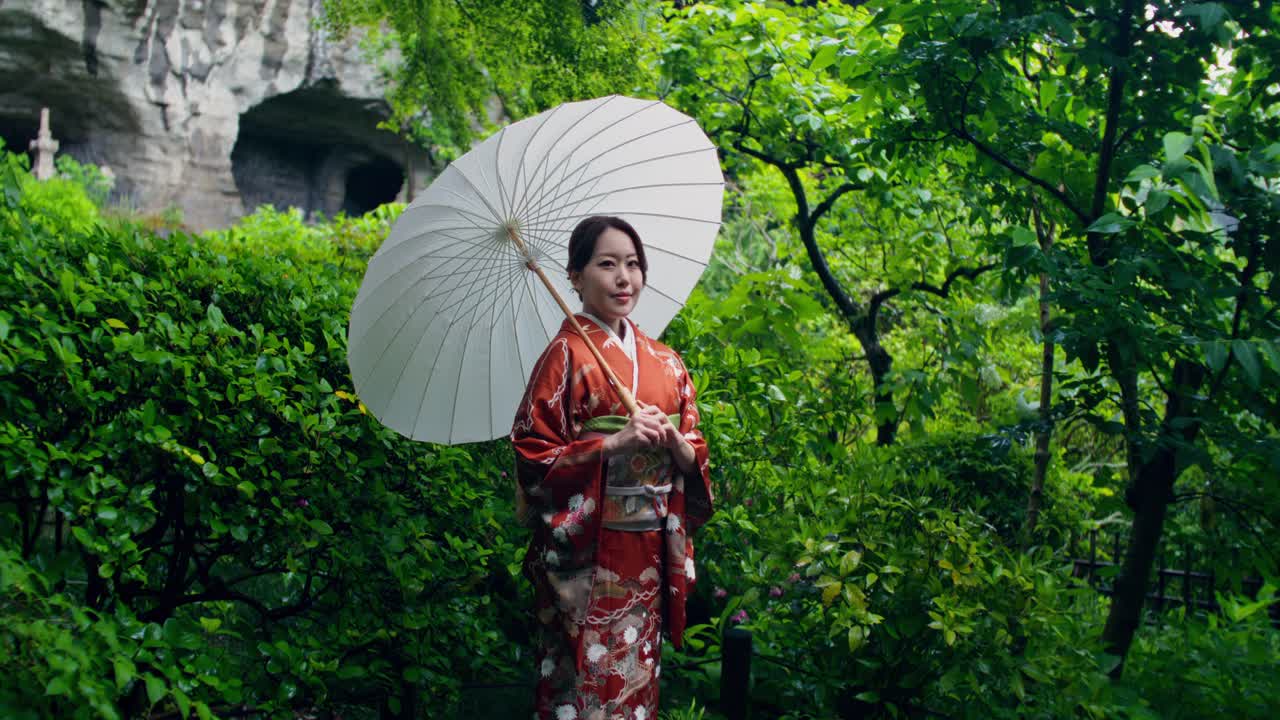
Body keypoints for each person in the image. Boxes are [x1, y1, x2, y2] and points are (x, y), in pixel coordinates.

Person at [511, 215, 714, 720]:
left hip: (644, 553)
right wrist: (611, 445)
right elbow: (533, 454)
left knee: (636, 688)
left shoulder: (666, 362)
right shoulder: (564, 356)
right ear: (576, 277)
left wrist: (680, 447)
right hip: (589, 553)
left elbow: (694, 443)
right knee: (577, 687)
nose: (624, 278)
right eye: (607, 264)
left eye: (633, 264)